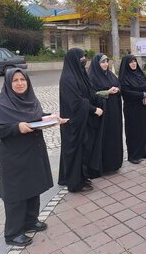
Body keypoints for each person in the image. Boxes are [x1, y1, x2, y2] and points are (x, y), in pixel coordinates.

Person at [0, 68, 65, 247]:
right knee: (16, 194)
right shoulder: (2, 105)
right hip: (14, 156)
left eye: (23, 79)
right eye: (15, 80)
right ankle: (13, 233)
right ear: (8, 83)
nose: (20, 83)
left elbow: (34, 118)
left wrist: (49, 118)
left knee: (33, 186)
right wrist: (16, 127)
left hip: (34, 151)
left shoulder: (30, 100)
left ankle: (31, 221)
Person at [58, 48, 103, 192]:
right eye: (81, 57)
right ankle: (75, 182)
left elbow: (89, 92)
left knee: (84, 150)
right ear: (73, 60)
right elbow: (76, 102)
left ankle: (82, 177)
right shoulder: (67, 79)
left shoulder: (81, 74)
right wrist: (93, 109)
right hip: (73, 121)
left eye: (84, 57)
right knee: (75, 150)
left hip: (83, 120)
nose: (84, 60)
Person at [88, 53, 123, 173]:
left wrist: (118, 89)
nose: (106, 64)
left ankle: (114, 163)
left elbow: (119, 84)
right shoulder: (92, 76)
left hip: (114, 110)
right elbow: (91, 94)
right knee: (105, 136)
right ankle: (104, 165)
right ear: (97, 64)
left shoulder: (110, 75)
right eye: (103, 62)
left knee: (114, 134)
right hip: (102, 112)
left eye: (107, 62)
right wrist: (107, 92)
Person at [119, 54, 146, 164]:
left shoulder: (140, 73)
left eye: (134, 61)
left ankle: (142, 151)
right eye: (130, 62)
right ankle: (133, 155)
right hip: (133, 109)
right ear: (126, 64)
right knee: (135, 132)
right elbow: (126, 92)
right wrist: (143, 95)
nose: (133, 64)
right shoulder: (124, 77)